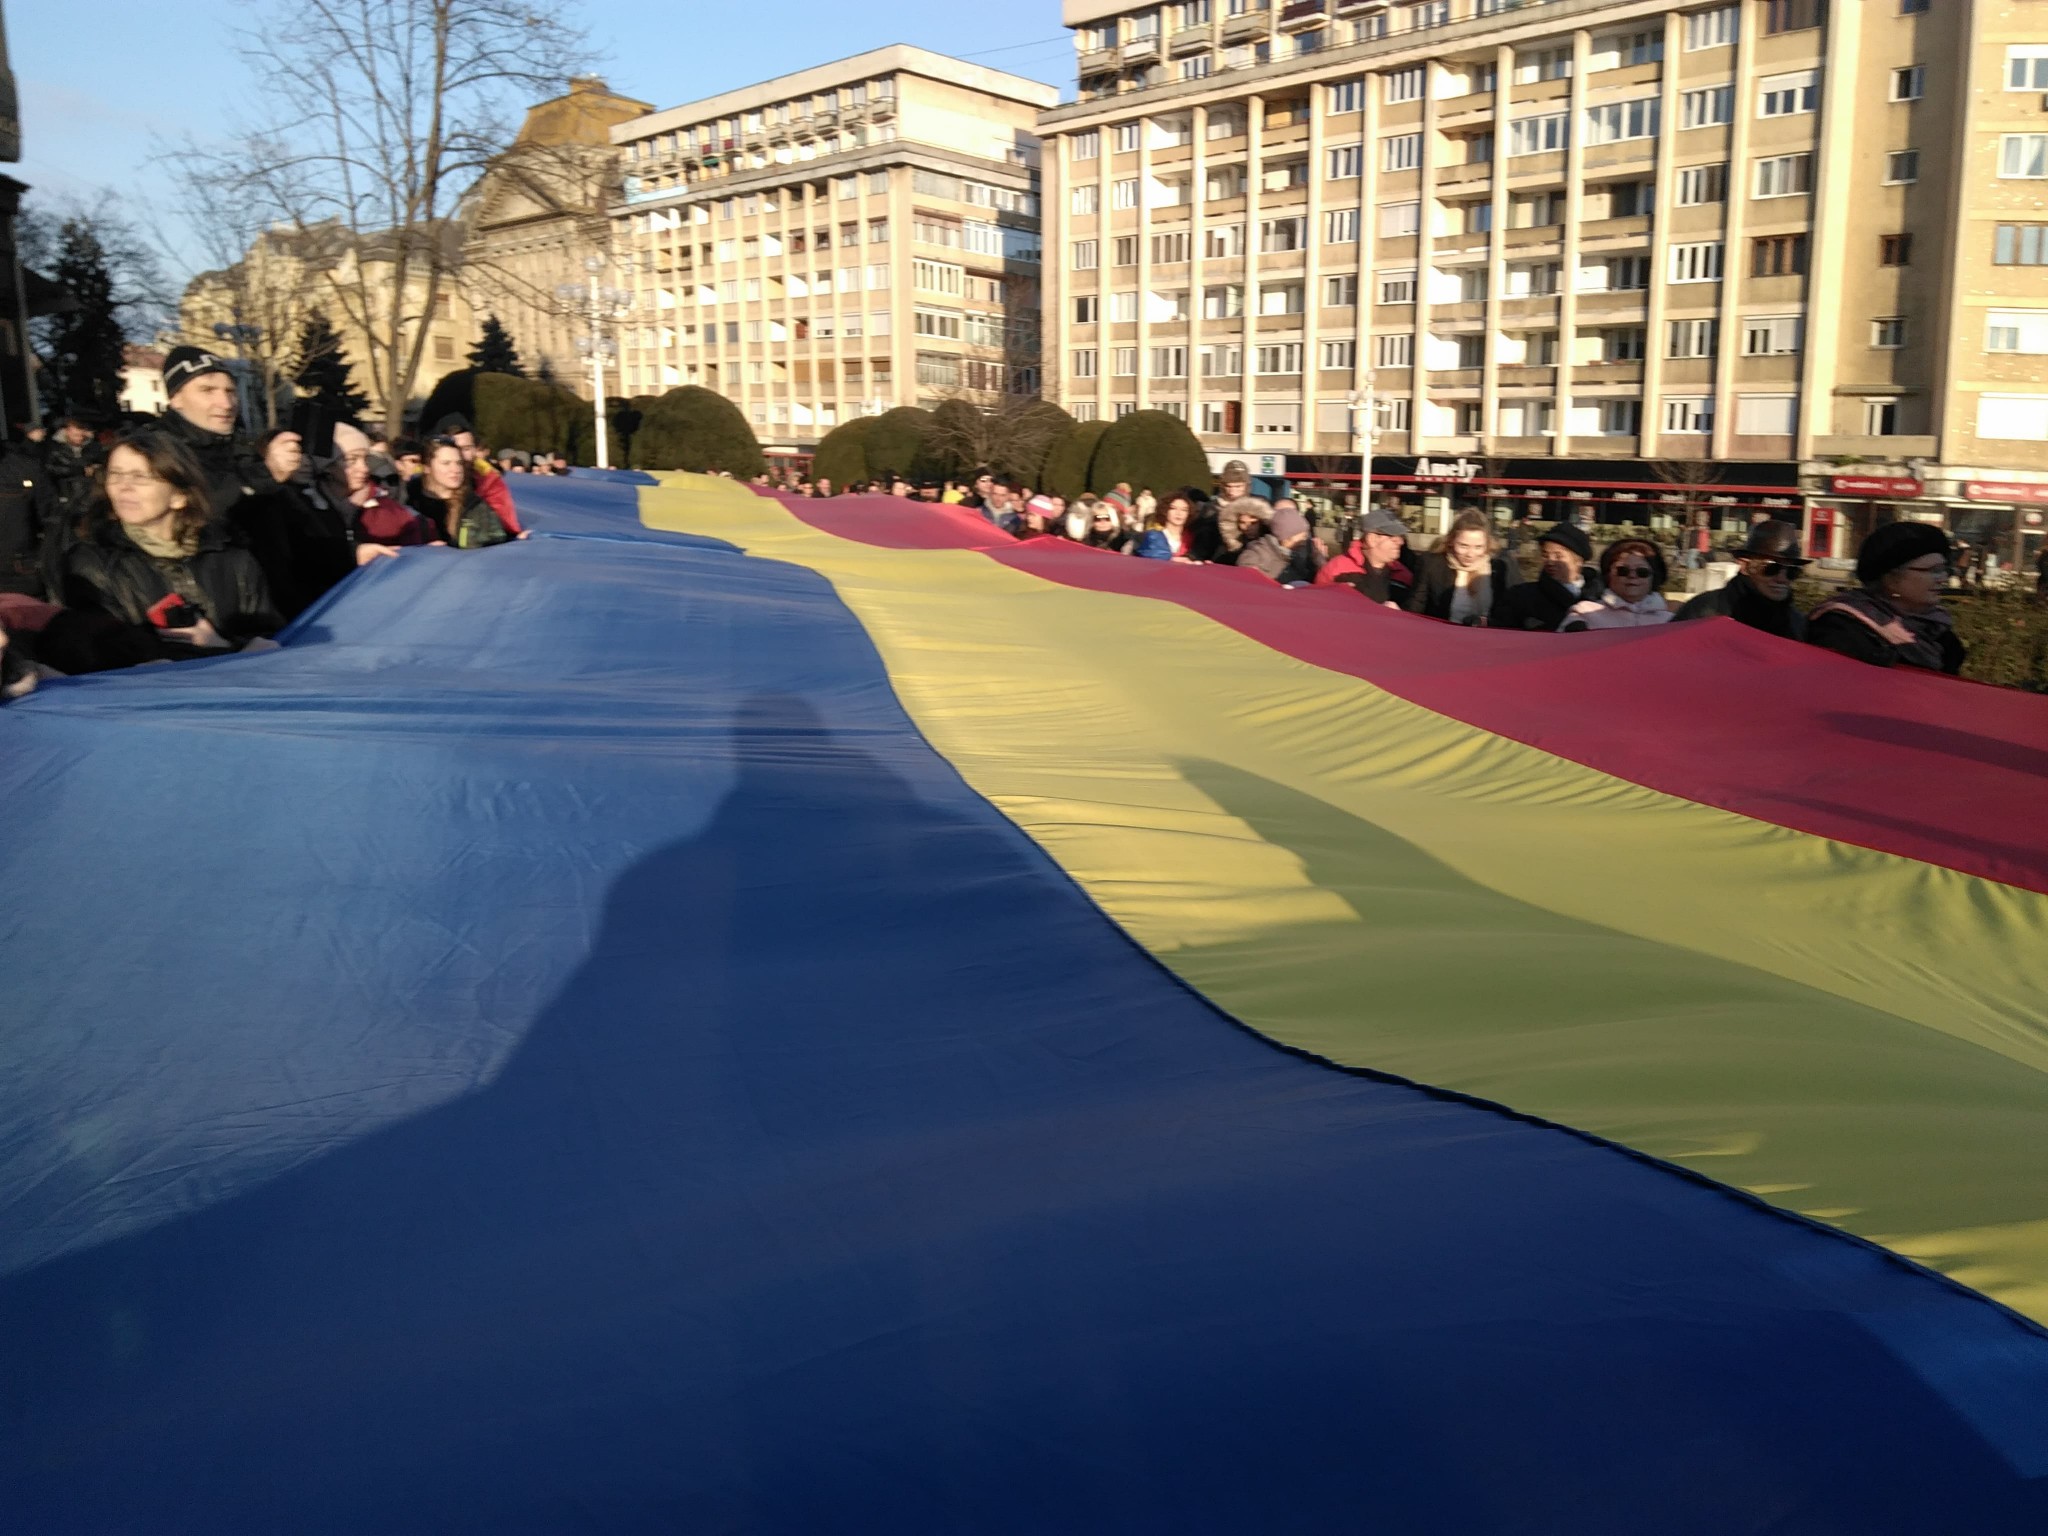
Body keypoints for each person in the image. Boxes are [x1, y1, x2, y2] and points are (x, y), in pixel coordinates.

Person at [53, 432, 280, 670]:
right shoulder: (93, 562)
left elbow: (268, 638)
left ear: (179, 496)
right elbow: (99, 653)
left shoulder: (233, 558)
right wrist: (214, 652)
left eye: (140, 477)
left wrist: (224, 646)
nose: (123, 487)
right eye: (115, 474)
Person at [1807, 521, 1966, 674]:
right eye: (1934, 570)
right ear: (1891, 579)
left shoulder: (1936, 627)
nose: (1943, 578)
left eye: (1944, 569)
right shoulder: (1843, 628)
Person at [155, 347, 278, 518]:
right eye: (207, 390)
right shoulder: (154, 453)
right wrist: (266, 473)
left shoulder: (242, 447)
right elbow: (197, 510)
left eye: (230, 391)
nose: (226, 404)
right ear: (175, 398)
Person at [1671, 520, 1808, 639]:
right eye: (1771, 568)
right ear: (1745, 566)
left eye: (1792, 571)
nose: (1782, 579)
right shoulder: (1703, 611)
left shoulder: (1797, 624)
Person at [406, 437, 522, 547]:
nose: (455, 470)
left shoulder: (475, 508)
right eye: (446, 463)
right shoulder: (407, 499)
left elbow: (495, 546)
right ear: (427, 467)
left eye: (459, 463)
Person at [1407, 510, 1515, 626]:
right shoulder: (1431, 563)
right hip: (1443, 633)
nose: (1470, 554)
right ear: (1451, 541)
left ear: (1488, 545)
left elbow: (1514, 610)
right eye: (1463, 546)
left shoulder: (1502, 565)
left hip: (1490, 635)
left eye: (1478, 547)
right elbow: (1416, 604)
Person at [338, 425, 432, 549]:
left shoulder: (407, 517)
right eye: (351, 460)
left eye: (392, 480)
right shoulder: (318, 511)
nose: (385, 487)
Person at [1498, 522, 1603, 632]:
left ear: (1579, 561)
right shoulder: (1521, 596)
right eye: (1545, 555)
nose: (1550, 561)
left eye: (1558, 556)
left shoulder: (1601, 597)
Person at [1561, 540, 1673, 631]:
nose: (1632, 576)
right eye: (1623, 570)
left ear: (1654, 577)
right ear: (1608, 574)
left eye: (1642, 572)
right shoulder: (1584, 613)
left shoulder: (1671, 622)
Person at [1318, 508, 1414, 608]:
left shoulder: (1403, 576)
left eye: (1401, 537)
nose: (1400, 542)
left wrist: (1399, 614)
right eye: (1392, 537)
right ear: (1371, 539)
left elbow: (1415, 612)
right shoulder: (1336, 569)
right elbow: (1318, 606)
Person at [1237, 503, 1321, 583]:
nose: (1305, 540)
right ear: (1286, 538)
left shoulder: (1303, 551)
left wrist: (1320, 562)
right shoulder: (1256, 554)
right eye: (1302, 536)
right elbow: (1247, 580)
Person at [1128, 492, 1215, 562]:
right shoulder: (1150, 536)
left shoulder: (1194, 541)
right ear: (1165, 511)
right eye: (1173, 508)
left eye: (1184, 510)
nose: (1179, 513)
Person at [1214, 498, 1269, 566]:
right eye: (1242, 522)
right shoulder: (1226, 548)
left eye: (1253, 523)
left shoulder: (1271, 546)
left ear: (1262, 523)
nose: (1248, 527)